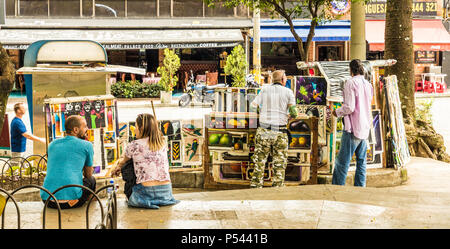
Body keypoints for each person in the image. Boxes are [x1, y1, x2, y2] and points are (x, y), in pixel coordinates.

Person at [111, 113, 179, 209]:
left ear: (141, 129)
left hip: (145, 193)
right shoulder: (162, 143)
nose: (134, 129)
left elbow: (123, 162)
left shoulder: (134, 145)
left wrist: (117, 168)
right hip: (166, 193)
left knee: (127, 164)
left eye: (136, 127)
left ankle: (136, 198)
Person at [250, 70, 298, 188]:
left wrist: (261, 112)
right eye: (285, 77)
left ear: (272, 80)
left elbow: (252, 106)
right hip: (279, 132)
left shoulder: (265, 89)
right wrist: (289, 116)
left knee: (259, 163)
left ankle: (256, 188)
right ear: (282, 80)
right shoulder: (288, 92)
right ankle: (277, 189)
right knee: (279, 165)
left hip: (264, 131)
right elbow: (294, 113)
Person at [332, 59, 374, 187]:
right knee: (362, 162)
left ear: (351, 70)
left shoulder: (350, 83)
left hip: (352, 128)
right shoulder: (368, 84)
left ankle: (337, 189)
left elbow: (349, 107)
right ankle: (360, 189)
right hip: (365, 126)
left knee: (342, 162)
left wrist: (337, 112)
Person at [40, 115, 96, 209]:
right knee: (92, 180)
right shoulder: (87, 145)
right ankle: (91, 206)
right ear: (76, 130)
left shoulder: (52, 144)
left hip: (47, 200)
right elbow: (88, 175)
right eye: (85, 126)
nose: (87, 129)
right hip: (70, 202)